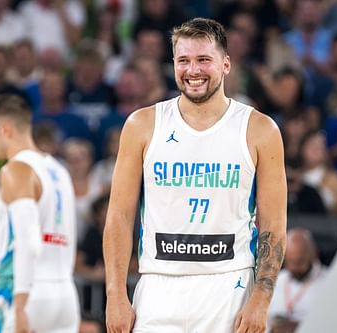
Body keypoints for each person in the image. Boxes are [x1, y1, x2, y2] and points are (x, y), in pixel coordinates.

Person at [103, 18, 287, 333]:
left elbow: (273, 225)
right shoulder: (142, 125)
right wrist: (115, 294)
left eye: (204, 60)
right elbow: (119, 216)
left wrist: (262, 298)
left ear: (226, 64)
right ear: (173, 64)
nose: (193, 70)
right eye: (184, 61)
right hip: (158, 285)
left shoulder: (259, 129)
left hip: (230, 286)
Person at [0, 94, 79, 332]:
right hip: (65, 296)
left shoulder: (16, 169)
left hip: (24, 293)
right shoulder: (60, 171)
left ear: (6, 130)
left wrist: (20, 306)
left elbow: (28, 242)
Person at [267, 228, 327, 333]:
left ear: (314, 254)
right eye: (290, 262)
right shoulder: (276, 280)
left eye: (299, 261)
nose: (294, 268)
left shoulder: (328, 280)